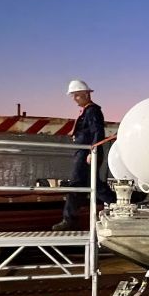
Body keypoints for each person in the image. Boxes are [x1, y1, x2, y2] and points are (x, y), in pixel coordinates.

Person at [54, 79, 105, 231]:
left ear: (85, 94)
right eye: (73, 96)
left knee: (76, 184)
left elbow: (98, 132)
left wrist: (92, 151)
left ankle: (69, 220)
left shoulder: (92, 110)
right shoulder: (88, 111)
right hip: (83, 152)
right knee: (93, 186)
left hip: (86, 153)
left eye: (76, 95)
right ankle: (121, 203)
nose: (74, 99)